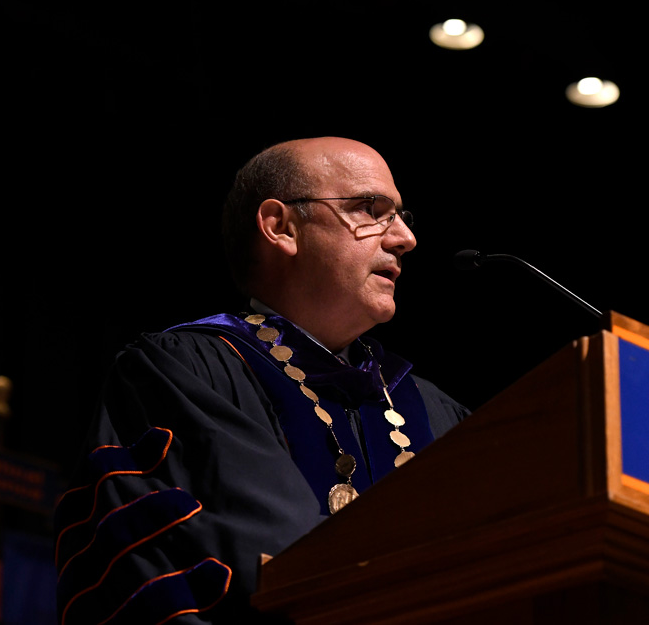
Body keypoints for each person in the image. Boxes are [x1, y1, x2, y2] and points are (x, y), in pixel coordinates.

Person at [53, 137, 469, 624]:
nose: (404, 238)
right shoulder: (184, 372)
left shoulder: (434, 410)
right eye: (369, 209)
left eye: (401, 216)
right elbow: (155, 569)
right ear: (281, 228)